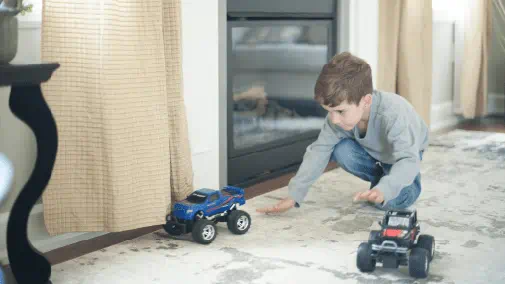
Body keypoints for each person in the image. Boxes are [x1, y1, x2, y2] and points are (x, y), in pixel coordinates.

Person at [256, 51, 429, 214]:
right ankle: (381, 179)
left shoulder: (394, 114)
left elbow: (408, 159)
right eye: (329, 111)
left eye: (340, 111)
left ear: (366, 101)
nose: (334, 120)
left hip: (405, 156)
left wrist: (386, 189)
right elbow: (318, 151)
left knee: (390, 201)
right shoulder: (338, 119)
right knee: (341, 150)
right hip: (377, 154)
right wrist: (294, 195)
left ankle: (396, 181)